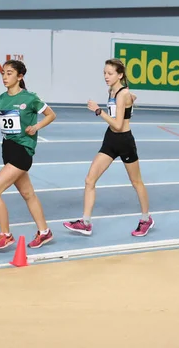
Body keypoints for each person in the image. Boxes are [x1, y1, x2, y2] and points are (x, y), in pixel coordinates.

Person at [63, 58, 152, 237]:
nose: (106, 76)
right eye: (104, 73)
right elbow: (123, 107)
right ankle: (85, 222)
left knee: (136, 182)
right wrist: (130, 100)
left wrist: (98, 111)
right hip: (110, 140)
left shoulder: (121, 93)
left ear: (120, 75)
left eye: (110, 73)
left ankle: (146, 219)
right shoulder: (113, 90)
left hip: (124, 141)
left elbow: (119, 124)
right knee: (90, 180)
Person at [0, 60, 56, 250]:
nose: (5, 77)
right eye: (3, 73)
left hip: (22, 151)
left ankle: (5, 235)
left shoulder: (30, 98)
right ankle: (44, 232)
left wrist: (36, 126)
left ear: (20, 76)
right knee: (28, 194)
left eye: (9, 73)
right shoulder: (0, 100)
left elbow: (51, 115)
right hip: (8, 150)